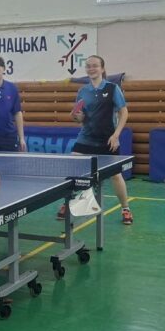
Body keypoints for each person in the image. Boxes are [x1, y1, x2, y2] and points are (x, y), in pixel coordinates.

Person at [60, 55, 133, 225]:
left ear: (102, 68)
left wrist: (116, 135)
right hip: (86, 138)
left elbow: (123, 111)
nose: (91, 68)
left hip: (108, 139)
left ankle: (125, 208)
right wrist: (76, 116)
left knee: (116, 176)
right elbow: (80, 117)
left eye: (95, 65)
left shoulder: (112, 88)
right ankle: (67, 203)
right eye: (88, 66)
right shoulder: (83, 91)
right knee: (73, 169)